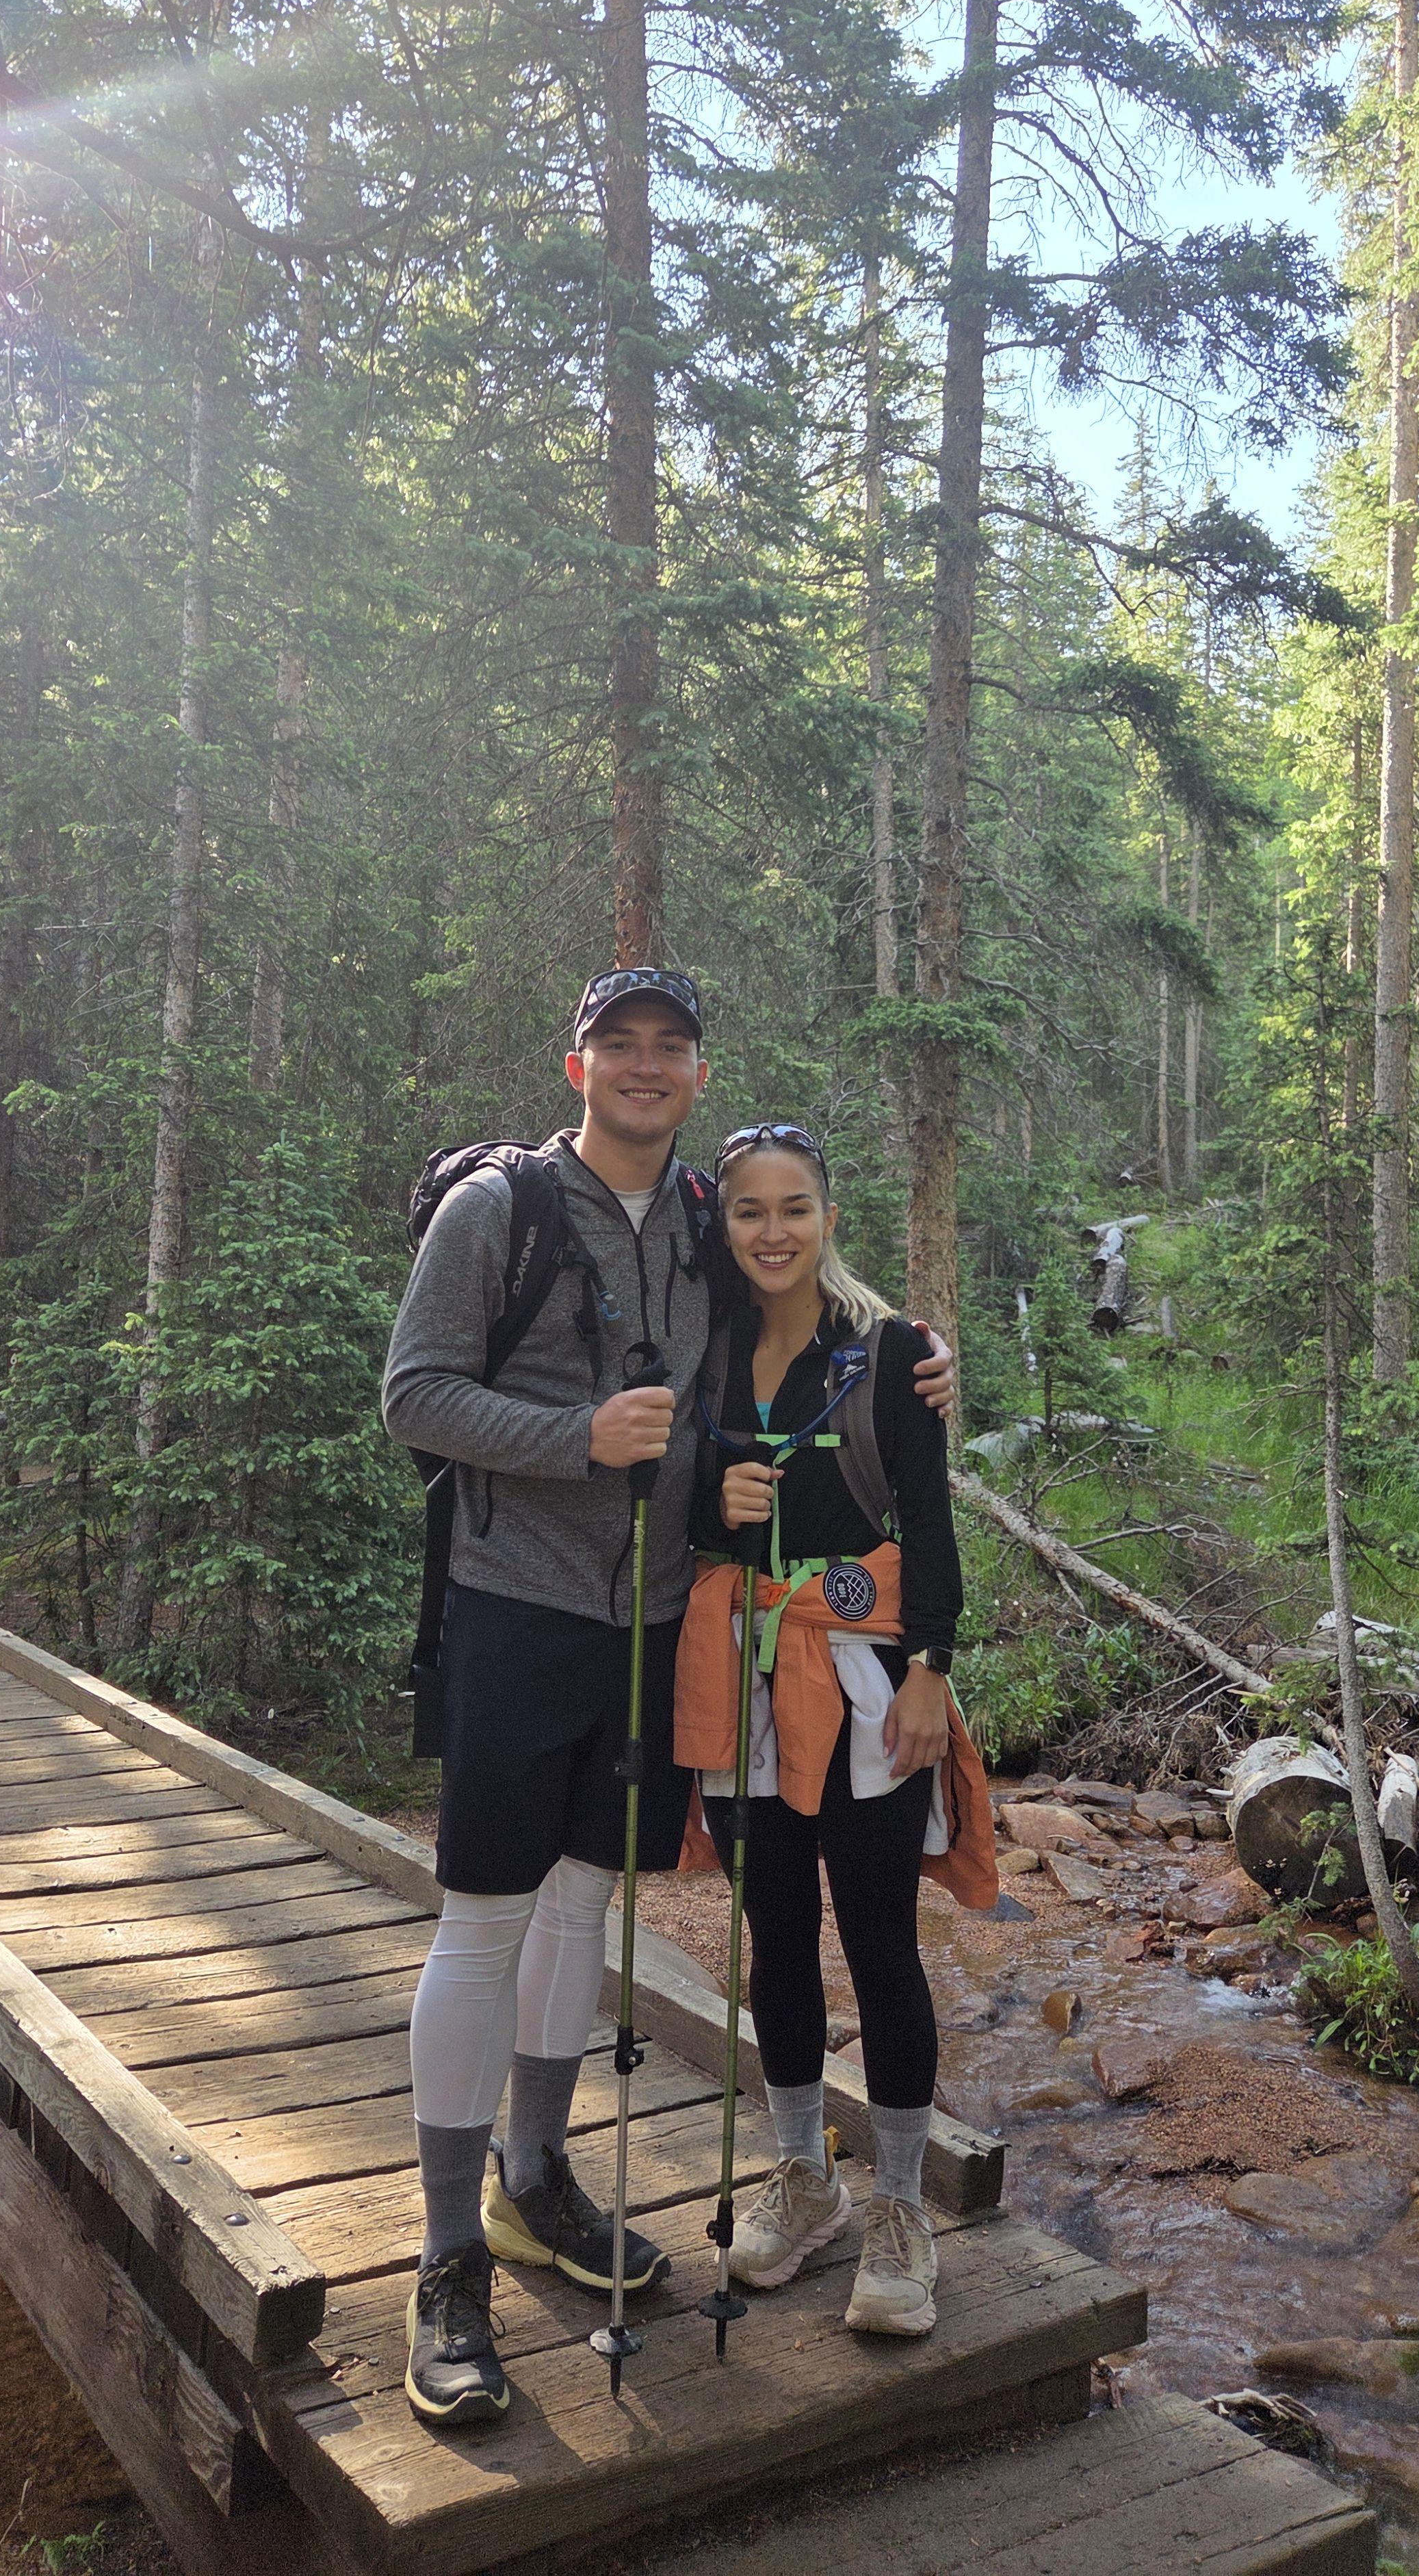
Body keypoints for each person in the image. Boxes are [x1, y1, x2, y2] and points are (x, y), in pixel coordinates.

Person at [380, 974, 956, 2427]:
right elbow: (413, 1395)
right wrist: (576, 1435)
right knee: (485, 1916)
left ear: (697, 1073)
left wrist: (920, 1356)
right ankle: (446, 2256)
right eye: (618, 1045)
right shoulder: (498, 1212)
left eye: (670, 1047)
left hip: (654, 1624)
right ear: (576, 1064)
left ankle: (533, 2178)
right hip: (516, 1610)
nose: (644, 1066)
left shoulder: (706, 1219)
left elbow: (804, 1296)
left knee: (582, 1907)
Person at [676, 1123, 1000, 2342]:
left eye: (794, 1208)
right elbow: (668, 1505)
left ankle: (903, 2207)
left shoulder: (893, 1353)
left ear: (827, 1215)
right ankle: (806, 2177)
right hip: (744, 1686)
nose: (773, 1232)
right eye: (749, 1211)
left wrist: (930, 1673)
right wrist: (711, 1500)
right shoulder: (703, 1349)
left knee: (879, 1945)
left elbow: (929, 1520)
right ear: (724, 1226)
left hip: (867, 1682)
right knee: (776, 1939)